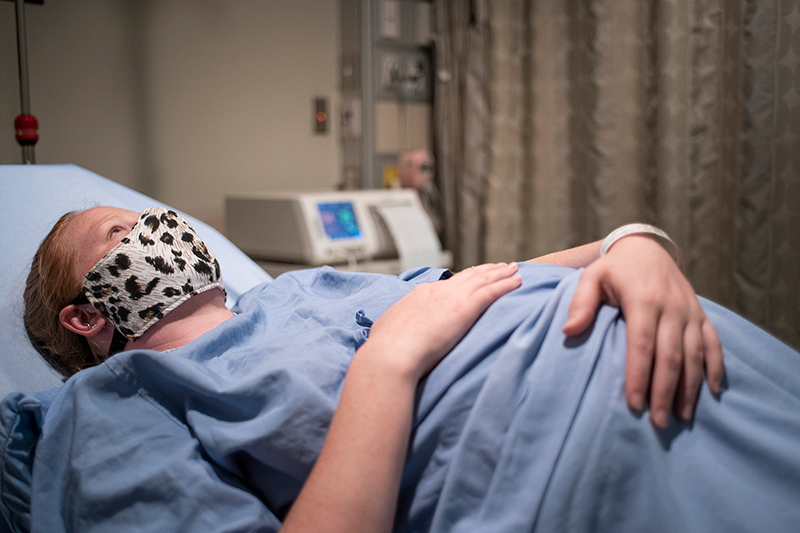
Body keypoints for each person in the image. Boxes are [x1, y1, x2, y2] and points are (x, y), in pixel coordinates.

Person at [19, 206, 737, 532]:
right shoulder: (106, 411)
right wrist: (387, 364)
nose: (158, 229)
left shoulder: (299, 289)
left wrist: (629, 244)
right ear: (85, 317)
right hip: (594, 454)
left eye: (153, 217)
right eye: (121, 233)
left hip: (671, 342)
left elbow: (486, 279)